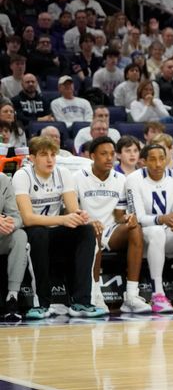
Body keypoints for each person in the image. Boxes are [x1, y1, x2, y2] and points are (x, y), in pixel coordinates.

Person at [14, 136, 105, 319]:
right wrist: (63, 219)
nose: (49, 159)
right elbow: (28, 218)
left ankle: (81, 302)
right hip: (32, 232)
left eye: (53, 155)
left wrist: (82, 217)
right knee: (38, 234)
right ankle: (41, 304)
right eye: (43, 155)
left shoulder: (63, 173)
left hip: (56, 230)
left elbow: (72, 209)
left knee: (86, 231)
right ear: (32, 158)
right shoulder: (22, 176)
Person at [75, 137, 150, 314]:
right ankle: (95, 295)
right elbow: (70, 210)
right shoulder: (77, 177)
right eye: (103, 154)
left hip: (111, 230)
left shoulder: (121, 179)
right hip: (86, 228)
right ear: (92, 156)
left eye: (112, 154)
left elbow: (120, 214)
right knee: (94, 230)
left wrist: (127, 219)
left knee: (135, 228)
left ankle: (131, 295)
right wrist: (88, 222)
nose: (109, 158)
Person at [127, 143, 173, 313]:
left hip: (166, 231)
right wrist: (162, 219)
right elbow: (137, 218)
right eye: (152, 159)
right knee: (157, 231)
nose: (158, 164)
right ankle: (157, 294)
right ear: (143, 161)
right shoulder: (134, 179)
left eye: (162, 159)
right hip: (144, 235)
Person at [0, 172, 27, 321]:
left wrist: (8, 224)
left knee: (20, 235)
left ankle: (12, 297)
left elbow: (17, 217)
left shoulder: (3, 180)